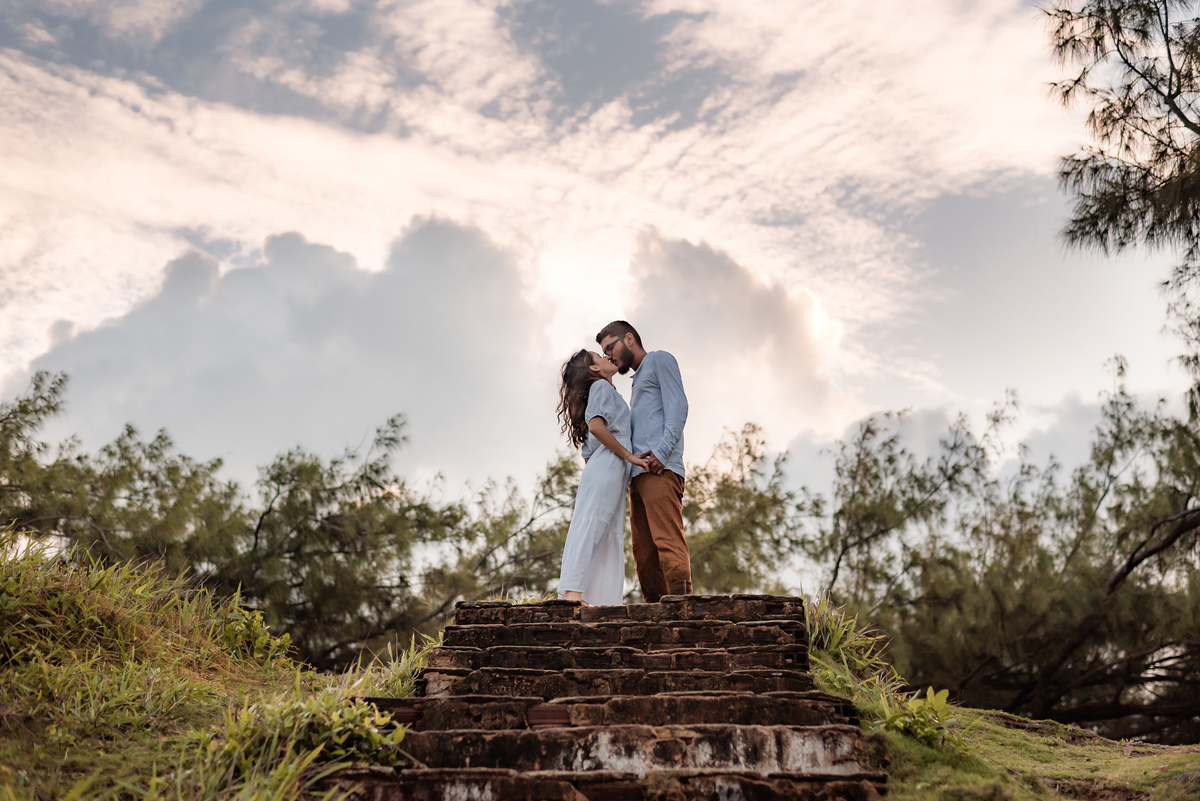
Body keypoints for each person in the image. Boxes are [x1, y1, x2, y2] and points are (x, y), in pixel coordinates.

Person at [596, 321, 692, 602]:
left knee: (667, 541)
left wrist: (662, 453)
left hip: (660, 470)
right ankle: (656, 618)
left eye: (610, 347)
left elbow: (679, 406)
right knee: (644, 553)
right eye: (603, 353)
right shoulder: (637, 380)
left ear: (629, 338)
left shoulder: (660, 359)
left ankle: (683, 611)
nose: (608, 356)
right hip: (638, 476)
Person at [555, 349, 650, 605]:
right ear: (594, 369)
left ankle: (594, 598)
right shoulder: (601, 388)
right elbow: (596, 426)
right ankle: (574, 594)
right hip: (609, 465)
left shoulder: (602, 392)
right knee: (595, 524)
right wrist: (628, 457)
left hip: (605, 468)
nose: (608, 358)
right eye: (601, 356)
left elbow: (588, 452)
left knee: (604, 529)